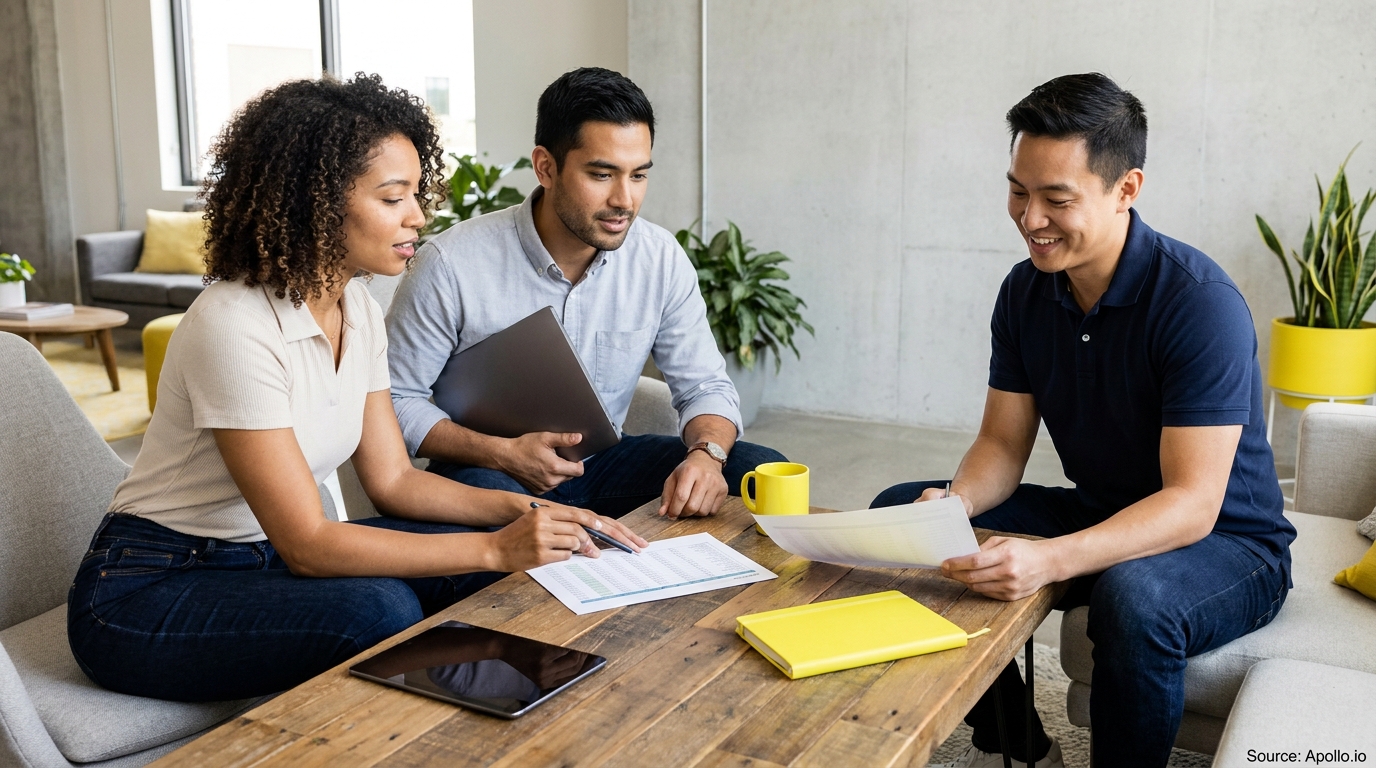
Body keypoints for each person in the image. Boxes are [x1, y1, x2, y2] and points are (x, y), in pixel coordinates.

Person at [66, 74, 645, 703]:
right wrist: (495, 547)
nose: (419, 217)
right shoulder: (232, 325)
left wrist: (527, 511)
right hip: (147, 588)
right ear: (313, 202)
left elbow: (394, 480)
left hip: (262, 561)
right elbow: (309, 544)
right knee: (380, 610)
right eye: (393, 198)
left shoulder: (357, 308)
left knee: (477, 574)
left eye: (416, 194)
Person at [873, 73, 1294, 768]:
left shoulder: (1198, 303)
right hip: (1104, 516)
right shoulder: (1026, 291)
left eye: (1055, 199)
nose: (1028, 217)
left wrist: (1048, 559)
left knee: (1135, 597)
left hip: (1227, 547)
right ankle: (1024, 747)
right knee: (900, 517)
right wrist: (955, 504)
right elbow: (1002, 445)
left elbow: (1191, 506)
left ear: (1127, 188)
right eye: (1018, 189)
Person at [387, 67, 786, 520]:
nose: (625, 200)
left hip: (602, 468)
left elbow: (705, 385)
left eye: (638, 176)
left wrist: (706, 457)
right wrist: (500, 452)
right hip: (488, 471)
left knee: (760, 469)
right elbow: (394, 400)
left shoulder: (658, 257)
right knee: (507, 515)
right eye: (602, 174)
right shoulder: (451, 263)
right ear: (546, 167)